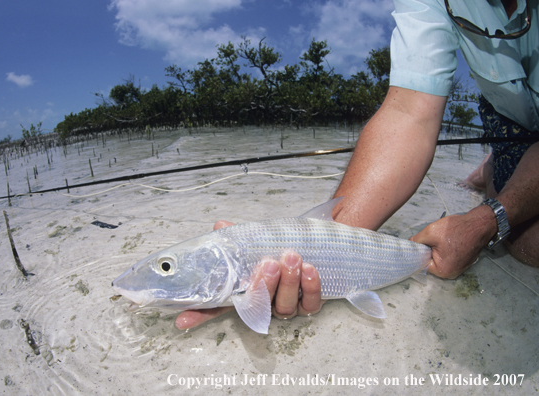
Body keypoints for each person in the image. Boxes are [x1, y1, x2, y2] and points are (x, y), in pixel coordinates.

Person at [175, 0, 539, 331]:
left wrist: (488, 218)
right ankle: (500, 163)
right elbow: (409, 114)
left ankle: (497, 171)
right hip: (509, 119)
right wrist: (323, 250)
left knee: (529, 246)